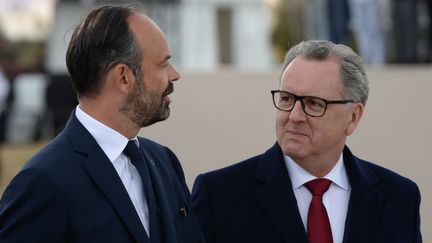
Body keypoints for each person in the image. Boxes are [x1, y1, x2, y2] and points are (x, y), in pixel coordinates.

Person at [0, 5, 202, 243]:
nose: (174, 74)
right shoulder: (44, 181)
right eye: (162, 64)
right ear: (123, 77)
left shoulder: (164, 161)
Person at [192, 40, 422, 243]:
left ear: (353, 117)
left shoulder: (400, 197)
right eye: (287, 99)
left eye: (313, 104)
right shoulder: (219, 195)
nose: (294, 116)